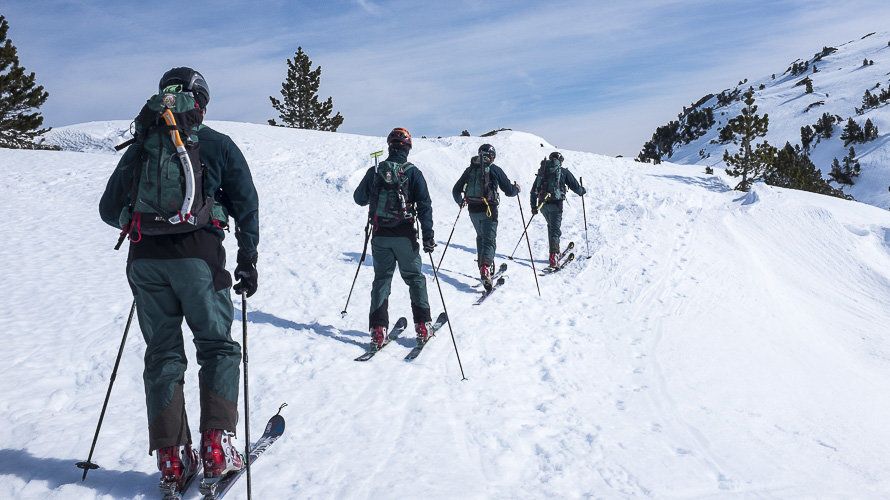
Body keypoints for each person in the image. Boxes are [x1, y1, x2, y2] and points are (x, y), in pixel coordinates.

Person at [98, 67, 259, 493]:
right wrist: (248, 259)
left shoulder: (142, 147)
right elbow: (247, 205)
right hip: (199, 259)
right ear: (201, 101)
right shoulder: (218, 145)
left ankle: (172, 459)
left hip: (144, 261)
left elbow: (107, 208)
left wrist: (144, 225)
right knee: (217, 347)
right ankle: (217, 447)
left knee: (163, 355)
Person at [353, 127, 436, 349]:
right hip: (405, 236)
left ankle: (378, 330)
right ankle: (422, 325)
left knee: (382, 279)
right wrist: (428, 236)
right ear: (408, 148)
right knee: (414, 278)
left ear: (389, 146)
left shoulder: (376, 171)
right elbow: (425, 205)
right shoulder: (413, 172)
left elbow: (359, 198)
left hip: (380, 235)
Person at [451, 144, 520, 290]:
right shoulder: (494, 169)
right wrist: (517, 190)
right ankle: (485, 267)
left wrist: (460, 201)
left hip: (473, 210)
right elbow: (508, 190)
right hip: (490, 209)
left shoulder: (469, 170)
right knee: (489, 240)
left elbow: (456, 190)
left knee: (481, 237)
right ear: (492, 156)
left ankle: (483, 266)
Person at [530, 151, 586, 267]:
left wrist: (533, 207)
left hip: (542, 205)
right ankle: (554, 255)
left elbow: (533, 191)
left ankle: (555, 251)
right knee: (555, 230)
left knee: (551, 227)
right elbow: (576, 187)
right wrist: (582, 191)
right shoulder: (563, 171)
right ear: (560, 161)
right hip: (556, 204)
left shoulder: (542, 171)